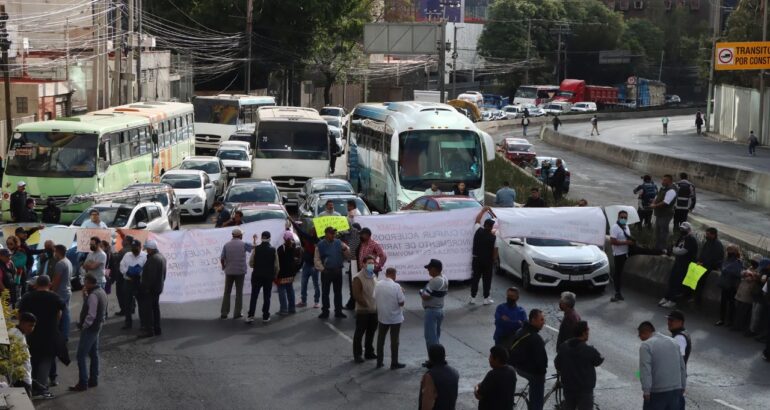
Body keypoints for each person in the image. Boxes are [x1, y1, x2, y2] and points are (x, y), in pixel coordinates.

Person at [18, 275, 66, 399]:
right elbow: (61, 312)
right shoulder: (54, 297)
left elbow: (20, 314)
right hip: (49, 334)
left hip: (31, 333)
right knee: (46, 360)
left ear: (36, 285)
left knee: (32, 359)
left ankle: (31, 385)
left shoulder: (27, 297)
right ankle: (41, 388)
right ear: (49, 284)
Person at [69, 274, 108, 392]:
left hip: (90, 329)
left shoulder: (93, 296)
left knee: (81, 355)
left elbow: (91, 315)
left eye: (84, 281)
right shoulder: (101, 291)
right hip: (97, 326)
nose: (83, 283)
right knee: (93, 353)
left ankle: (83, 383)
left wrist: (83, 326)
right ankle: (93, 379)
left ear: (89, 282)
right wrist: (85, 296)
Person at [555, 321, 604, 410]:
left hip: (568, 389)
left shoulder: (564, 347)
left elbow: (557, 364)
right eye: (588, 329)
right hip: (584, 392)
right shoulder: (589, 350)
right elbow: (599, 360)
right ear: (584, 333)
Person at [637, 321, 687, 410]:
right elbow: (682, 366)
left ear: (643, 333)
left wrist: (646, 391)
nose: (640, 338)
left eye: (640, 335)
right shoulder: (673, 342)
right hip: (676, 390)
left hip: (658, 392)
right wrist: (683, 385)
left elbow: (645, 370)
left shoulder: (646, 346)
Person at [508, 309, 547, 410]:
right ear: (533, 320)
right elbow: (542, 362)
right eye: (541, 319)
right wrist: (542, 374)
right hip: (530, 371)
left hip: (519, 367)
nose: (543, 322)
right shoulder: (536, 338)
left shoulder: (521, 330)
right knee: (537, 400)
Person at [659, 222, 699, 309]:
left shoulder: (691, 239)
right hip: (678, 262)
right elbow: (675, 247)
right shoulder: (682, 237)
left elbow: (682, 251)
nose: (681, 231)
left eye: (683, 229)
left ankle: (673, 300)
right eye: (681, 229)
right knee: (672, 280)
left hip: (685, 264)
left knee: (678, 283)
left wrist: (674, 250)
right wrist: (675, 249)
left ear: (688, 230)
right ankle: (667, 297)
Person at [314, 226, 351, 319]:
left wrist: (345, 250)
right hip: (326, 272)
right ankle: (325, 311)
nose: (333, 235)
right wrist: (323, 269)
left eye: (334, 233)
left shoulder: (339, 242)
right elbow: (316, 259)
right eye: (331, 233)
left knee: (338, 292)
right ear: (326, 234)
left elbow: (348, 255)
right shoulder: (320, 245)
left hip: (338, 271)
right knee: (325, 292)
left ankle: (338, 311)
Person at [48, 244, 72, 386]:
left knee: (60, 315)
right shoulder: (67, 261)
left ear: (58, 252)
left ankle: (61, 334)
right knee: (66, 313)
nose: (54, 253)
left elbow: (56, 282)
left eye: (55, 251)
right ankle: (64, 334)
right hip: (67, 291)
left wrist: (51, 292)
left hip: (61, 293)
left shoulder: (59, 264)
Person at [374, 267, 406, 370]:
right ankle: (394, 362)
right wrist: (402, 292)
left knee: (380, 339)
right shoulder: (396, 286)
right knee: (394, 341)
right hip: (395, 318)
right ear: (393, 274)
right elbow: (401, 302)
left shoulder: (378, 284)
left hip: (382, 316)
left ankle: (379, 362)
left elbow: (374, 296)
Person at [220, 229, 255, 319]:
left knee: (227, 292)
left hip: (229, 271)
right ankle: (237, 313)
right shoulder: (244, 244)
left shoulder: (226, 245)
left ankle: (224, 313)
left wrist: (223, 266)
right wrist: (255, 239)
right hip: (240, 271)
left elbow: (222, 258)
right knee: (239, 292)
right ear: (240, 236)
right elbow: (253, 247)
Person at [421, 259, 448, 366]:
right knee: (435, 337)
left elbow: (425, 296)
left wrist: (422, 292)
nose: (428, 271)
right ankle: (437, 359)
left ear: (434, 269)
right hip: (439, 310)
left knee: (430, 338)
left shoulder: (435, 281)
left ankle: (434, 361)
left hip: (431, 311)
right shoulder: (444, 278)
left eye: (429, 269)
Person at [352, 255, 379, 363]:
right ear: (363, 264)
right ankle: (357, 354)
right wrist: (366, 304)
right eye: (369, 263)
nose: (371, 265)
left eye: (372, 263)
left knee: (371, 332)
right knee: (359, 333)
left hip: (374, 310)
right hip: (363, 311)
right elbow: (357, 295)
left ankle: (369, 352)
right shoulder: (358, 278)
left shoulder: (374, 275)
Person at [248, 231, 278, 324]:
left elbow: (251, 263)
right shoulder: (273, 249)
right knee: (267, 297)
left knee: (254, 296)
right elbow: (276, 265)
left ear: (261, 238)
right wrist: (275, 275)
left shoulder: (256, 249)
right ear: (269, 238)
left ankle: (251, 316)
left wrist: (257, 266)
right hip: (268, 276)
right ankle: (265, 316)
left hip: (257, 275)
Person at [474, 345, 517, 410]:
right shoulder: (512, 371)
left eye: (490, 357)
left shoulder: (493, 374)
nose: (489, 359)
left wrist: (476, 387)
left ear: (497, 359)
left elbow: (479, 396)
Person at [138, 240, 166, 337]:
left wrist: (146, 288)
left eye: (147, 249)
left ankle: (149, 330)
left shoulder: (153, 259)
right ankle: (157, 328)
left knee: (149, 310)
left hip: (151, 290)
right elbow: (163, 275)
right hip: (157, 288)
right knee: (155, 309)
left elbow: (150, 277)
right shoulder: (161, 257)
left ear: (150, 249)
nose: (146, 251)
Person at [470, 207, 497, 305]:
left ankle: (473, 297)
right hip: (488, 261)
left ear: (484, 225)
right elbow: (495, 251)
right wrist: (493, 260)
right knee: (487, 280)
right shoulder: (494, 237)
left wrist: (482, 211)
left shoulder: (478, 230)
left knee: (475, 279)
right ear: (491, 227)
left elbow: (477, 220)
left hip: (476, 259)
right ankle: (486, 298)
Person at [419, 344, 459, 410]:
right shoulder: (455, 372)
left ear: (429, 357)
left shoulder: (430, 376)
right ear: (444, 355)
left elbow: (427, 405)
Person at [119, 239, 146, 330]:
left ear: (140, 247)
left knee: (142, 304)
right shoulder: (127, 255)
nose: (134, 249)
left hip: (139, 283)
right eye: (132, 247)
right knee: (127, 303)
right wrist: (128, 272)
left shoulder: (145, 256)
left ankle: (143, 324)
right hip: (128, 282)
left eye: (136, 247)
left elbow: (146, 269)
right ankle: (128, 323)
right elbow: (122, 266)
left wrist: (138, 273)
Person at [733, 255, 762, 334]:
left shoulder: (759, 271)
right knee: (738, 309)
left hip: (748, 293)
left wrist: (749, 275)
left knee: (743, 311)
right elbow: (742, 274)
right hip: (741, 291)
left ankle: (739, 326)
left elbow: (752, 279)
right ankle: (736, 325)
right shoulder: (750, 268)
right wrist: (745, 273)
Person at [295, 222, 321, 309]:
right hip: (306, 265)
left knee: (316, 284)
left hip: (314, 266)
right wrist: (292, 221)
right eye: (312, 230)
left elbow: (322, 254)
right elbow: (300, 231)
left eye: (314, 231)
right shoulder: (308, 238)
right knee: (303, 284)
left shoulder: (319, 242)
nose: (312, 232)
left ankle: (316, 301)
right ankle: (303, 301)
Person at [695, 227, 724, 305]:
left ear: (713, 235)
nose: (706, 236)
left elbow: (714, 258)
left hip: (710, 266)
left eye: (708, 234)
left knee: (701, 282)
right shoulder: (708, 242)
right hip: (703, 264)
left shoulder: (717, 245)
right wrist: (699, 261)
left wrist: (703, 264)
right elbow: (703, 253)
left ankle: (697, 300)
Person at [716, 245, 742, 327]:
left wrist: (727, 271)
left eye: (730, 251)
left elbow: (738, 273)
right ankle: (722, 319)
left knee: (731, 304)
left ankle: (730, 321)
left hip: (732, 285)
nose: (729, 253)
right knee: (723, 303)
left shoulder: (738, 262)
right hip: (725, 284)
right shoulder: (726, 260)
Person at [610, 210, 633, 302]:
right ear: (618, 218)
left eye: (625, 218)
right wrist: (626, 242)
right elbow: (612, 241)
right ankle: (617, 293)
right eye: (622, 217)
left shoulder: (626, 226)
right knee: (618, 274)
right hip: (618, 254)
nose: (623, 219)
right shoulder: (615, 227)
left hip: (625, 252)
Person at [10, 312, 35, 395]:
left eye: (33, 326)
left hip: (23, 376)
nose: (32, 328)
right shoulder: (16, 335)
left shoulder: (18, 333)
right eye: (30, 325)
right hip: (21, 378)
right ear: (23, 323)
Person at [650, 174, 677, 251]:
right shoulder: (663, 188)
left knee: (663, 232)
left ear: (670, 181)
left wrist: (655, 206)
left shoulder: (671, 190)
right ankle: (657, 247)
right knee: (657, 231)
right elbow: (658, 197)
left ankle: (662, 248)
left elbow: (666, 202)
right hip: (660, 213)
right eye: (663, 180)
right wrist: (654, 202)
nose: (662, 181)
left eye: (665, 180)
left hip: (666, 214)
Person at [276, 231, 301, 315]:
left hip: (282, 273)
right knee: (290, 290)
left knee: (282, 290)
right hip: (291, 273)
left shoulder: (280, 248)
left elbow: (276, 262)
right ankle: (292, 308)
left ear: (283, 238)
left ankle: (283, 309)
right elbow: (299, 259)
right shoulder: (295, 247)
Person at [111, 235, 133, 317]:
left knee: (121, 293)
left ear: (127, 241)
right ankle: (131, 308)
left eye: (123, 240)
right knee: (129, 293)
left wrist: (111, 253)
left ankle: (124, 310)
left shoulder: (124, 251)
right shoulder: (132, 249)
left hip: (121, 275)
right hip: (130, 275)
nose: (122, 242)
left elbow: (116, 258)